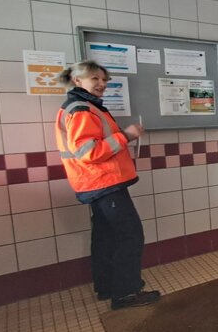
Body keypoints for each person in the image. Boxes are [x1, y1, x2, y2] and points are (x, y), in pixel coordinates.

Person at [55, 60, 161, 310]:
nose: (102, 84)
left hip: (95, 183)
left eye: (104, 79)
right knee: (130, 235)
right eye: (95, 79)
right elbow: (88, 152)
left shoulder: (81, 106)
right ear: (77, 81)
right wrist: (126, 136)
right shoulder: (82, 110)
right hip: (103, 183)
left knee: (105, 235)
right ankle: (125, 293)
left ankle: (106, 286)